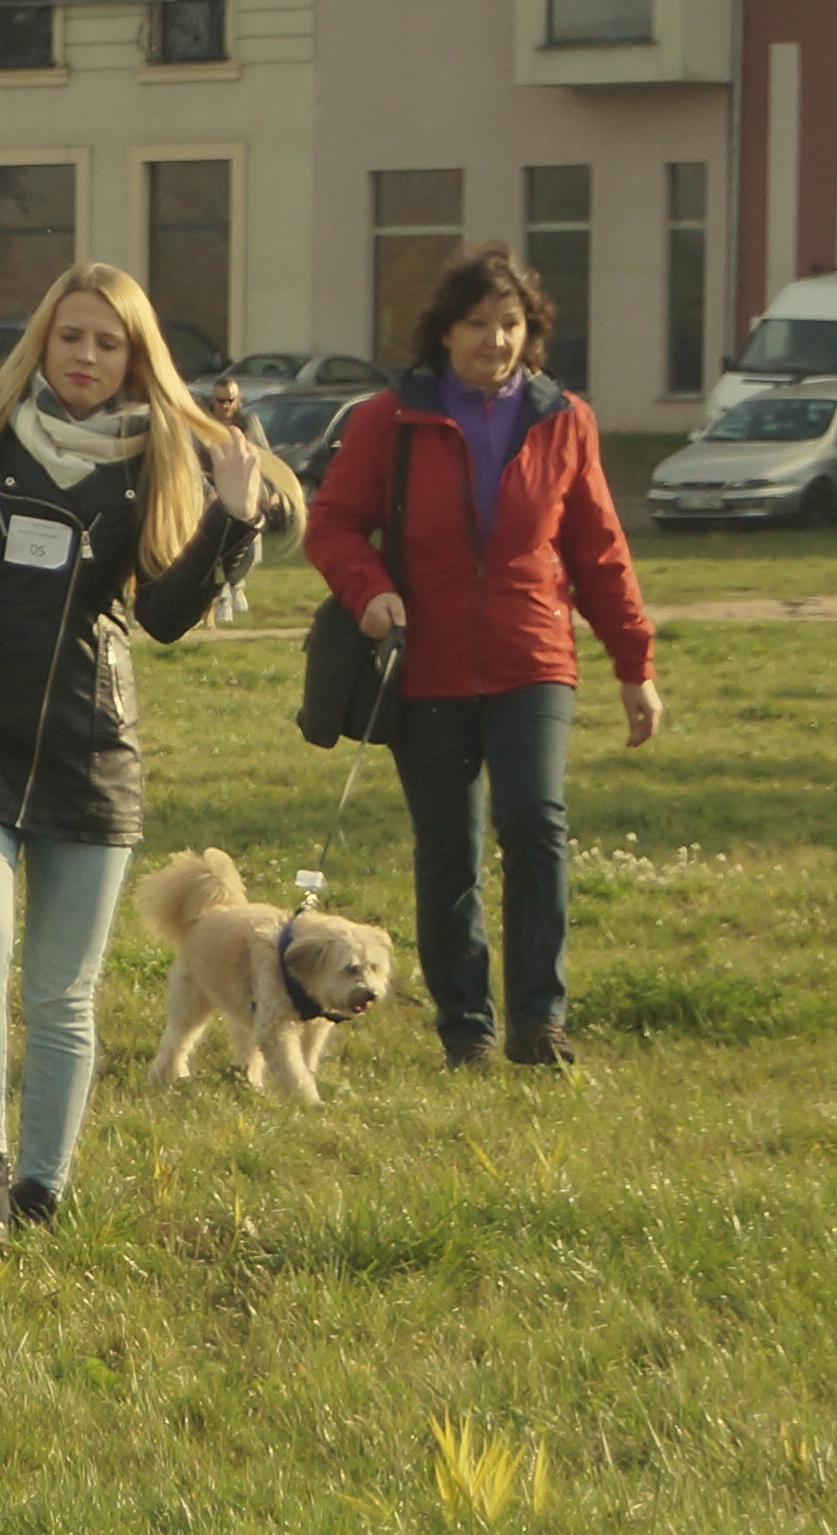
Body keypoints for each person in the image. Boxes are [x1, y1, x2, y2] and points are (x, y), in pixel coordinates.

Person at [0, 262, 290, 1243]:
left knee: (63, 992)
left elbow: (165, 615)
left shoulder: (155, 457)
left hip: (90, 754)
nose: (87, 356)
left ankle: (40, 1194)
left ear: (135, 358)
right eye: (71, 336)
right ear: (43, 341)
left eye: (109, 342)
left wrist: (231, 520)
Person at [306, 244, 661, 1072]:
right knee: (448, 851)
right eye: (476, 323)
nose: (494, 341)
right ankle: (466, 1029)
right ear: (444, 331)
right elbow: (331, 523)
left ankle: (540, 1021)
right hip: (423, 665)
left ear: (530, 332)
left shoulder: (564, 419)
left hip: (532, 657)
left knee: (533, 821)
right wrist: (369, 591)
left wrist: (634, 665)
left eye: (509, 324)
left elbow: (599, 552)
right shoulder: (388, 418)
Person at [202, 379, 277, 621]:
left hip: (248, 490)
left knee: (251, 544)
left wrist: (272, 489)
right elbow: (192, 463)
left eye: (230, 401)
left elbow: (265, 456)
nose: (225, 406)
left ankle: (236, 583)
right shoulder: (202, 424)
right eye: (220, 401)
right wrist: (206, 490)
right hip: (213, 492)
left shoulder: (248, 423)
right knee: (219, 545)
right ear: (212, 400)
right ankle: (223, 592)